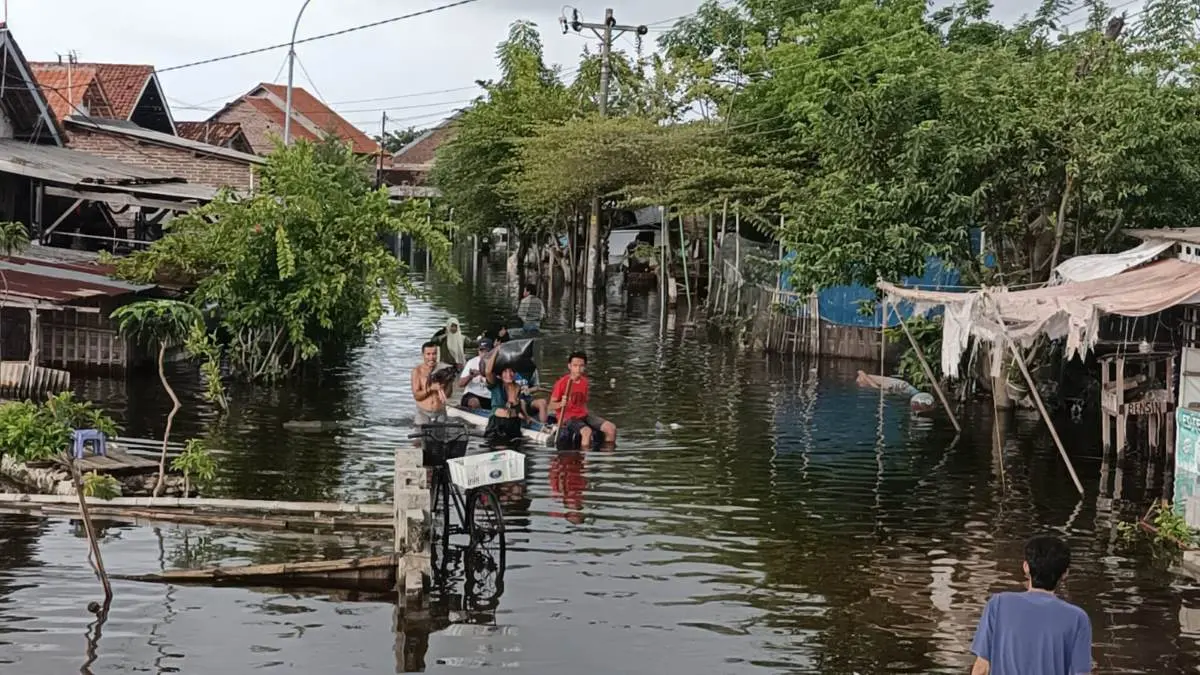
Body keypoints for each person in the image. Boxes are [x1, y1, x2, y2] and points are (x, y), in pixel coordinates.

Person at [969, 535, 1092, 675]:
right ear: (1065, 573)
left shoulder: (998, 604)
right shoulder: (1077, 618)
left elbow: (981, 668)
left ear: (1026, 566)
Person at [549, 351, 617, 449]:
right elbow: (551, 405)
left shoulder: (585, 382)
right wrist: (561, 404)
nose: (578, 369)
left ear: (584, 367)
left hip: (583, 415)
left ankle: (607, 457)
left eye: (581, 366)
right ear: (569, 366)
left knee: (611, 428)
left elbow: (583, 402)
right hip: (568, 417)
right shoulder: (562, 383)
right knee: (586, 432)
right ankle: (584, 461)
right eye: (575, 365)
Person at [411, 340, 448, 426]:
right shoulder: (417, 371)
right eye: (428, 354)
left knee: (442, 437)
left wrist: (448, 382)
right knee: (419, 437)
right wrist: (431, 389)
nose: (431, 357)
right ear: (423, 355)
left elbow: (448, 395)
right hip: (423, 412)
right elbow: (417, 396)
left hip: (440, 412)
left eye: (434, 354)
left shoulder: (443, 369)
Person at [458, 338, 495, 409]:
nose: (484, 354)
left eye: (487, 351)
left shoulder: (497, 364)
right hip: (472, 394)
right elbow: (460, 384)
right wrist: (470, 376)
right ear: (478, 351)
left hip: (490, 397)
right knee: (474, 402)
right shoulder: (471, 362)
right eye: (481, 351)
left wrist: (481, 374)